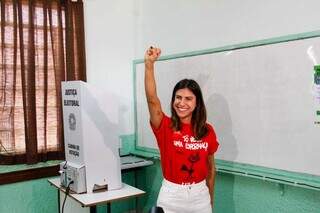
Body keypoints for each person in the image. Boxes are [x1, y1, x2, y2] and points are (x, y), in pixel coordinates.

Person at [144, 46, 219, 213]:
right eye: (178, 97)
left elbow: (211, 169)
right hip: (171, 196)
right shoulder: (164, 126)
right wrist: (149, 64)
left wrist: (210, 198)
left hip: (201, 196)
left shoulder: (207, 131)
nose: (182, 103)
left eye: (188, 99)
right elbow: (152, 100)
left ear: (197, 103)